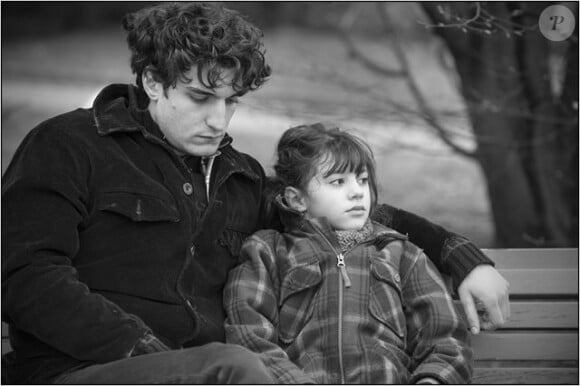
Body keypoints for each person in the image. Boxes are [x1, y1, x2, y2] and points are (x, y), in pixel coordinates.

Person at [1, 2, 507, 384]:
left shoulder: (236, 176)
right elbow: (23, 273)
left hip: (216, 375)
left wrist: (460, 256)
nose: (218, 120)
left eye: (231, 101)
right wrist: (143, 351)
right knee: (232, 369)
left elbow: (339, 209)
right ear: (154, 81)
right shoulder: (69, 145)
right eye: (200, 98)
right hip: (85, 373)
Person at [224, 123, 472, 384]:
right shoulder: (267, 252)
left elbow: (446, 339)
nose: (357, 192)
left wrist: (432, 381)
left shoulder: (401, 254)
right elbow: (249, 335)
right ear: (298, 200)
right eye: (338, 182)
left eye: (362, 180)